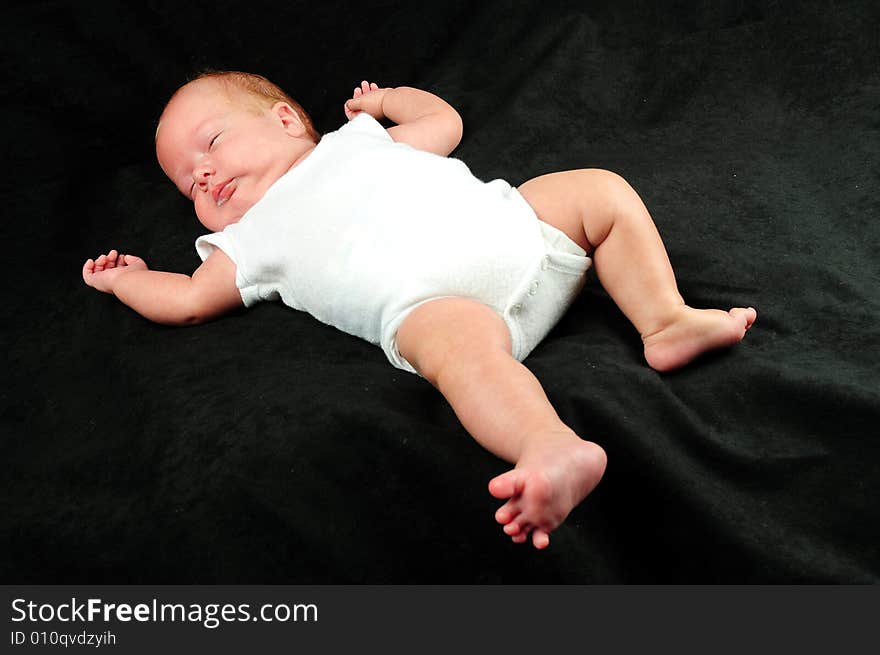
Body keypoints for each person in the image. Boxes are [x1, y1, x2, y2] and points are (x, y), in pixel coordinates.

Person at [82, 72, 756, 549]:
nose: (201, 173)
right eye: (186, 181)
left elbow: (444, 122)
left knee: (597, 191)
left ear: (284, 120)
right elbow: (192, 301)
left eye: (210, 143)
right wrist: (128, 282)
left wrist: (386, 100)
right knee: (460, 357)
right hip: (444, 306)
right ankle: (548, 445)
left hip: (519, 229)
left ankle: (664, 318)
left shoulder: (360, 142)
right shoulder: (243, 240)